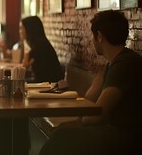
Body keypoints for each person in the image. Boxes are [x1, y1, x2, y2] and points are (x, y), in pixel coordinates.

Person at [39, 10, 142, 155]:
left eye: (92, 36)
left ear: (99, 36)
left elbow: (97, 114)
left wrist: (76, 123)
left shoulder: (124, 64)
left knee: (61, 138)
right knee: (62, 135)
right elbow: (88, 99)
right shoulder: (114, 63)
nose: (91, 41)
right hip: (116, 130)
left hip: (127, 136)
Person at [21, 16, 64, 83]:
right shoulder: (40, 44)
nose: (20, 31)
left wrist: (25, 66)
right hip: (45, 83)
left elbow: (26, 72)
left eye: (22, 28)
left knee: (19, 84)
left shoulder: (40, 47)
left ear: (29, 30)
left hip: (50, 86)